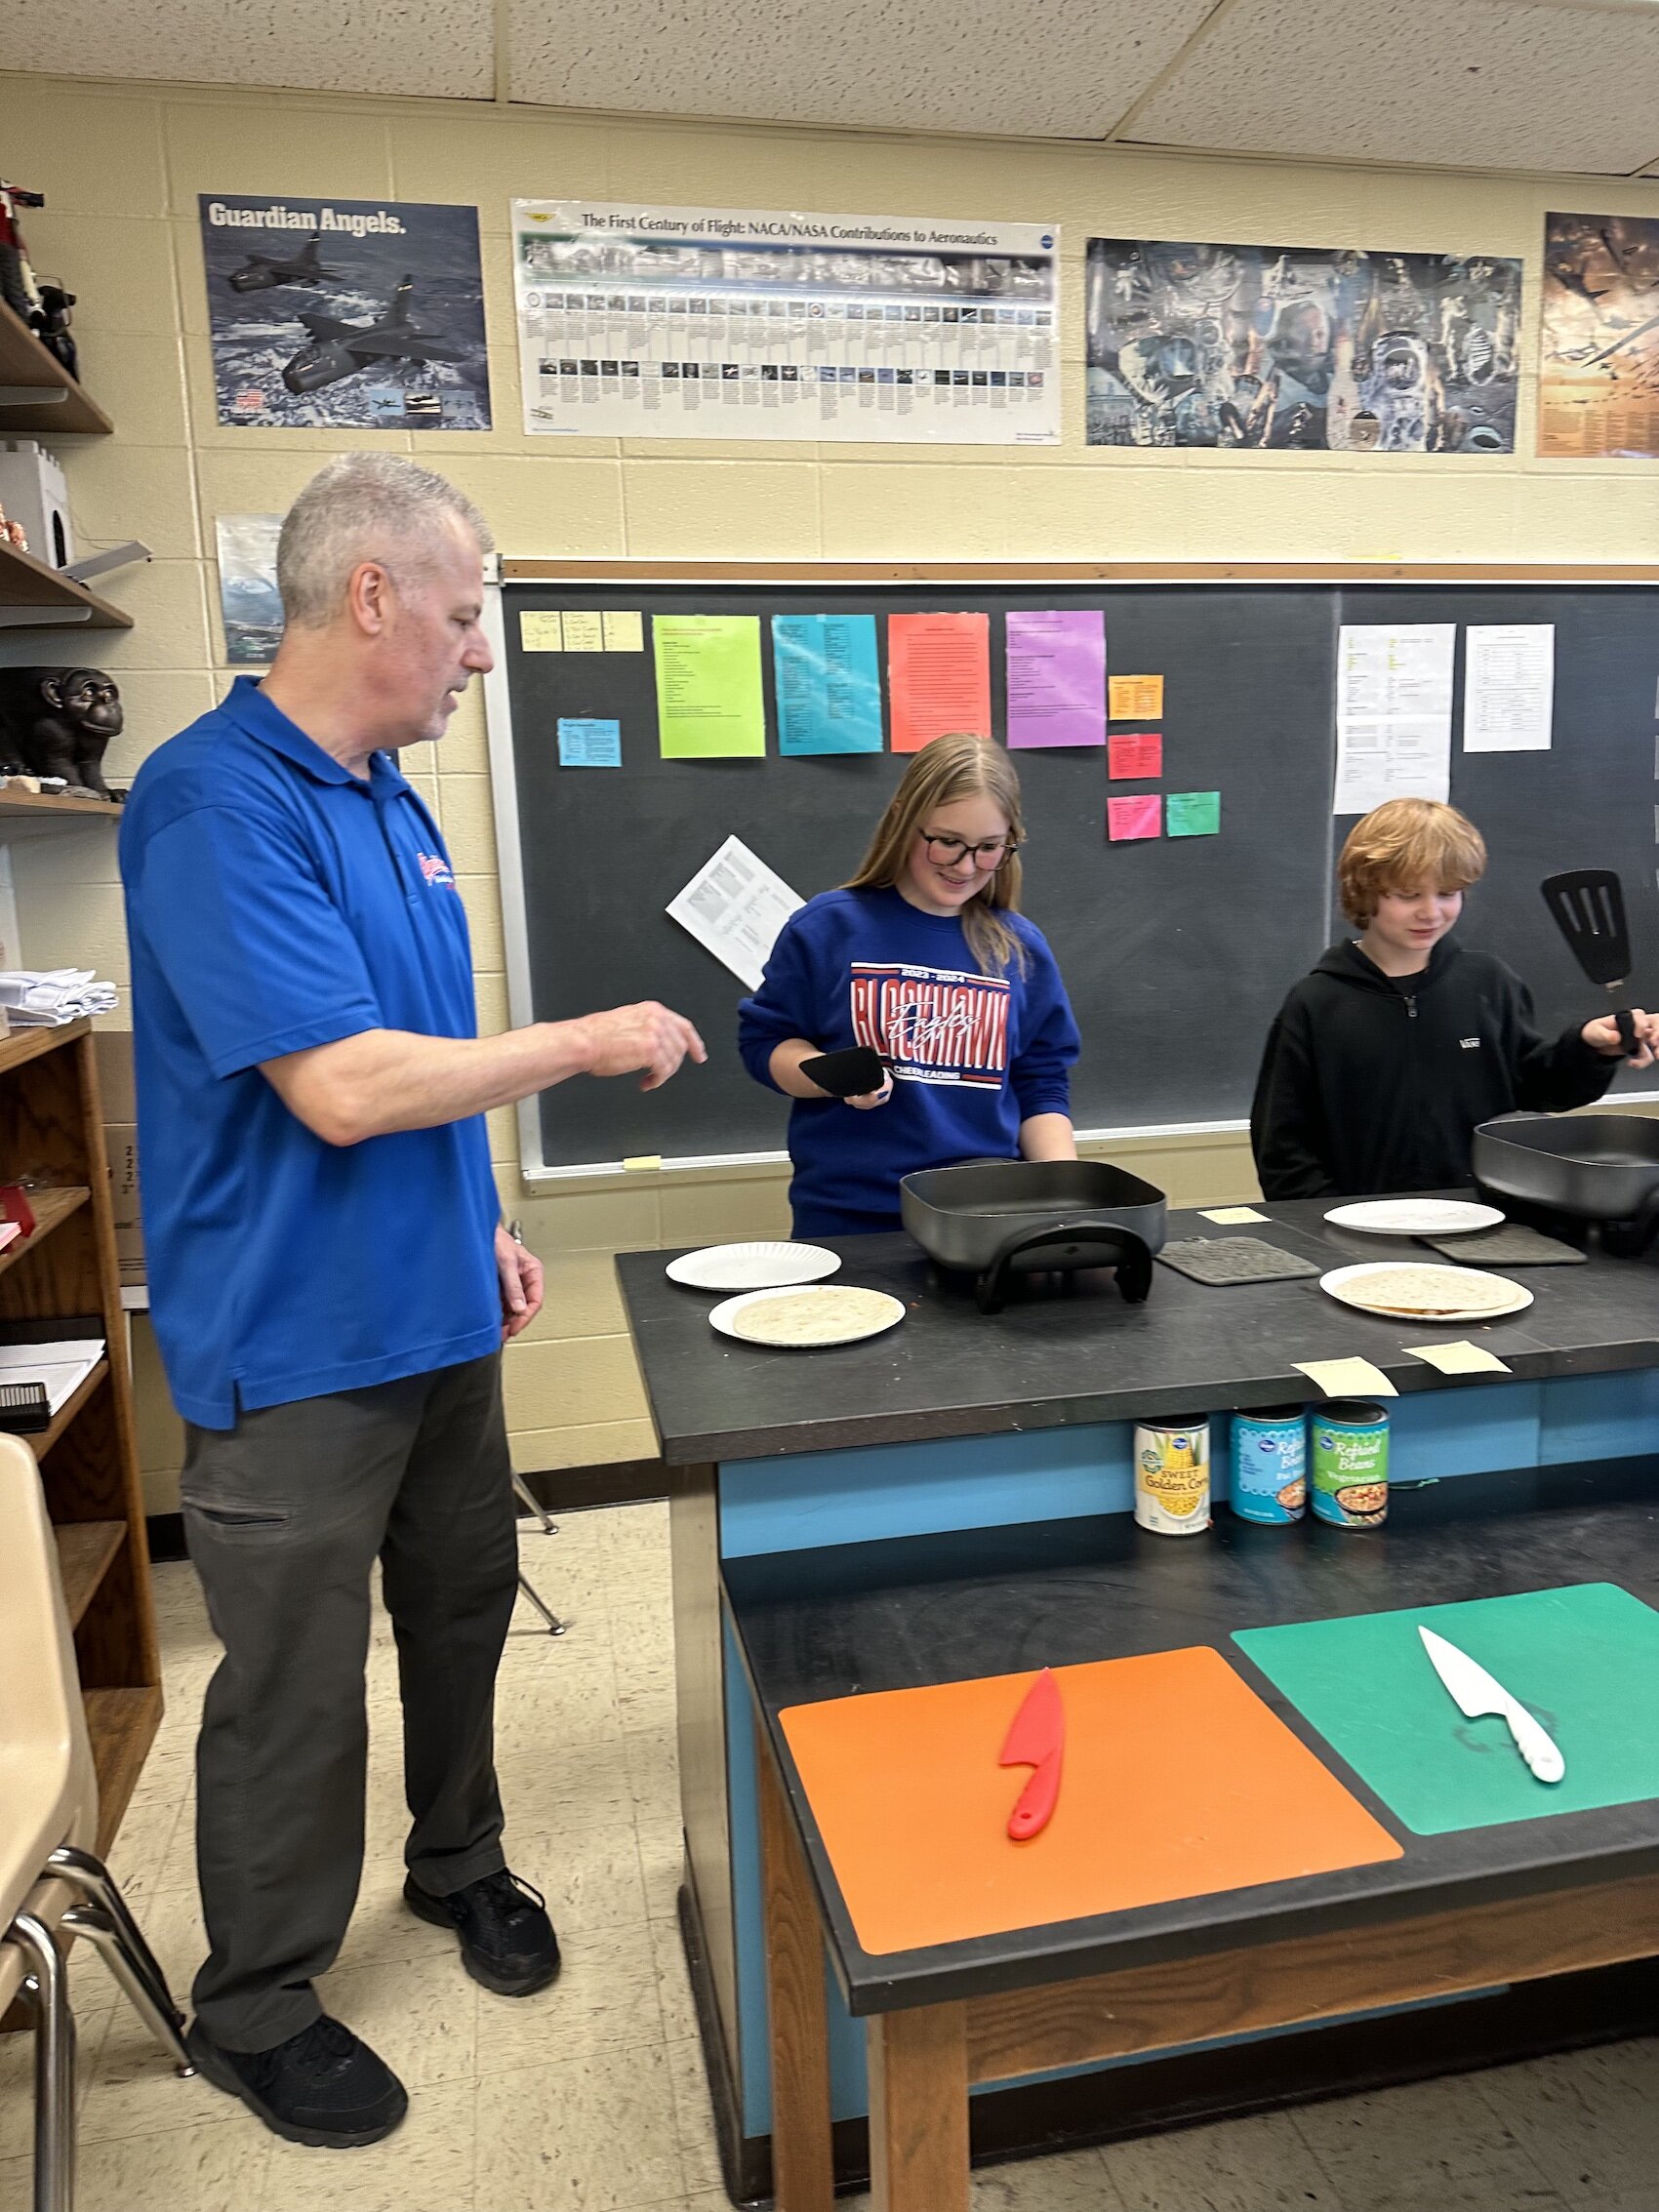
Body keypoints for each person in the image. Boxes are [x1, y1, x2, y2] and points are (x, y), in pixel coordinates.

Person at [118, 454, 704, 2150]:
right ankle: (259, 2003)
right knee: (294, 1683)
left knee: (461, 1611)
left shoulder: (395, 800)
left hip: (442, 1309)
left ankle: (459, 1863)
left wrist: (493, 1219)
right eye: (463, 615)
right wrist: (592, 1039)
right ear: (369, 594)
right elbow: (348, 1087)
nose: (481, 652)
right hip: (298, 1346)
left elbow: (436, 1069)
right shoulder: (213, 801)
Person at [738, 732, 1079, 1236]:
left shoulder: (1019, 949)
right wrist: (830, 1076)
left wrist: (1065, 1196)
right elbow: (764, 1044)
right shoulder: (827, 928)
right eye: (946, 842)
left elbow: (1042, 1082)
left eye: (988, 849)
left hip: (985, 1219)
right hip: (850, 1220)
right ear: (903, 819)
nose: (965, 867)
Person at [1250, 797, 1658, 1199]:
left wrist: (1589, 1047)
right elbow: (1282, 1146)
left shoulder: (1487, 984)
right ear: (1364, 890)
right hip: (1356, 1229)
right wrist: (1332, 1215)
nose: (1431, 912)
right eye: (1409, 895)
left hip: (1486, 1222)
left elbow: (1540, 1090)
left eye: (1448, 893)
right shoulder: (1317, 1003)